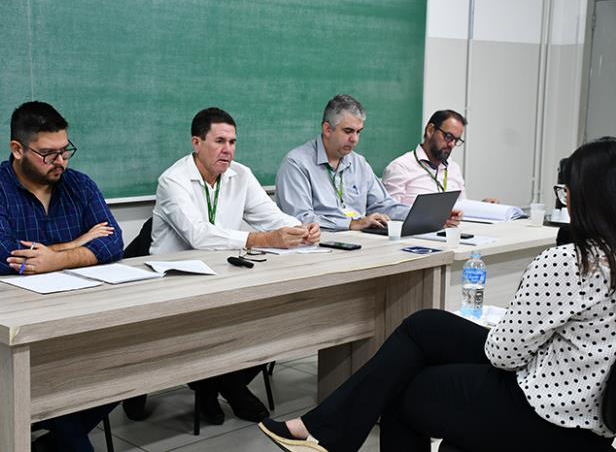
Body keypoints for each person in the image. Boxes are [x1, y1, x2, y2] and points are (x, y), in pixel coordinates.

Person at [259, 137, 616, 452]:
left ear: (584, 198)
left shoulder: (575, 262)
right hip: (592, 411)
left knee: (401, 389)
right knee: (424, 325)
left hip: (544, 409)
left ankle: (325, 433)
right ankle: (322, 431)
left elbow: (504, 354)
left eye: (565, 192)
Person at [0, 101, 123, 452]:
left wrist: (52, 259)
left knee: (122, 373)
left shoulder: (79, 185)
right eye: (48, 154)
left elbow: (114, 243)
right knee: (62, 396)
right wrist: (76, 245)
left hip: (68, 316)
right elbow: (4, 259)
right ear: (17, 149)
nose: (60, 161)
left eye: (65, 151)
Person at [150, 107, 320, 424]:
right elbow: (198, 234)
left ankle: (216, 384)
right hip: (174, 280)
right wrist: (265, 239)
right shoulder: (173, 181)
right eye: (219, 141)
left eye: (232, 141)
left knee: (275, 316)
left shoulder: (240, 174)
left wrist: (302, 227)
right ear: (196, 142)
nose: (227, 149)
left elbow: (272, 217)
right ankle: (225, 385)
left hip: (222, 274)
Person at [276, 95, 460, 231]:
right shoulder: (296, 164)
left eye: (358, 132)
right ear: (327, 129)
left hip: (360, 241)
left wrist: (429, 216)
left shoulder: (358, 163)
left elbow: (384, 205)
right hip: (320, 245)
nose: (354, 139)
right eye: (348, 131)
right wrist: (352, 223)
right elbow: (300, 218)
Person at [382, 109, 497, 206]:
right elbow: (390, 213)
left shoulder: (453, 168)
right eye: (448, 137)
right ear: (430, 130)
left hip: (450, 232)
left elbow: (462, 207)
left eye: (456, 140)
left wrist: (483, 207)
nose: (451, 144)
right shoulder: (400, 167)